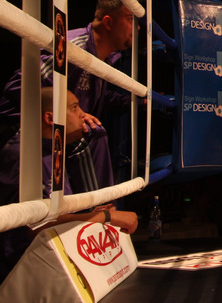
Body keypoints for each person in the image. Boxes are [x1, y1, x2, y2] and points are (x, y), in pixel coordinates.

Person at [0, 88, 138, 281]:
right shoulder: (25, 156)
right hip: (21, 272)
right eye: (74, 107)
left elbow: (50, 213)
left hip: (42, 259)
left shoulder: (50, 148)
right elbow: (35, 228)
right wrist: (103, 217)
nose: (83, 114)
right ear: (50, 118)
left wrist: (90, 215)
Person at [0, 0, 136, 141]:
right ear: (108, 22)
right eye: (130, 19)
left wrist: (139, 102)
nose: (137, 27)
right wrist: (71, 114)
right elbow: (18, 88)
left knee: (93, 132)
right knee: (96, 134)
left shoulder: (105, 56)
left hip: (55, 135)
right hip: (21, 133)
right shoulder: (72, 50)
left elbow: (89, 95)